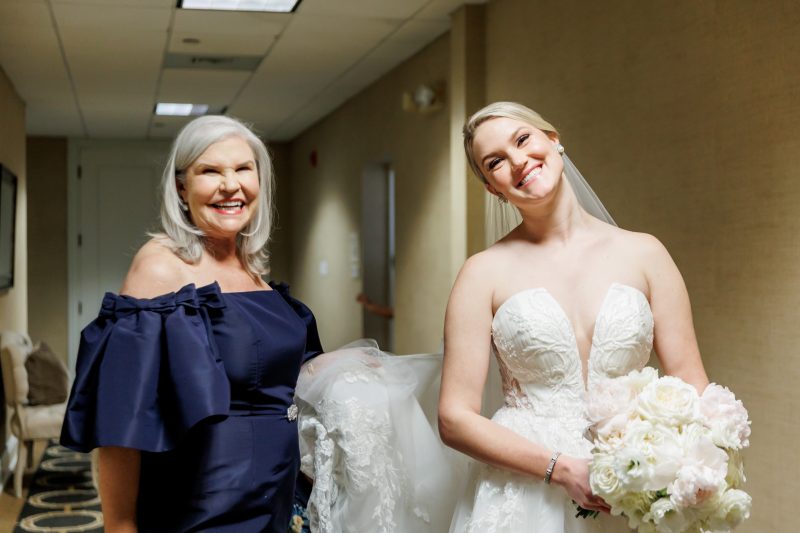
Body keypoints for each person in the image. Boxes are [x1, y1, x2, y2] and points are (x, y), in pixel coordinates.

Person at [439, 102, 710, 532]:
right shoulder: (481, 274)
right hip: (526, 495)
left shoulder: (646, 254)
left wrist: (703, 468)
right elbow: (454, 419)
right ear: (493, 187)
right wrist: (560, 469)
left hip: (632, 482)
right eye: (496, 162)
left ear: (554, 140)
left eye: (523, 139)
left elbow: (694, 387)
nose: (518, 162)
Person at [60, 115, 322, 532]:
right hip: (204, 509)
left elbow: (284, 373)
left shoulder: (251, 269)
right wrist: (121, 526)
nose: (230, 185)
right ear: (182, 186)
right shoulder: (161, 268)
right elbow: (121, 424)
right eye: (210, 171)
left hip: (276, 497)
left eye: (242, 168)